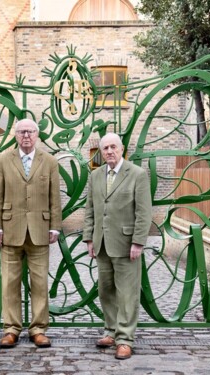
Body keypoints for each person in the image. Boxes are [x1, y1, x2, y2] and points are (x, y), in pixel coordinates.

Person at [0, 118, 62, 349]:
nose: (26, 136)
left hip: (40, 230)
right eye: (21, 132)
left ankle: (38, 329)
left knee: (39, 283)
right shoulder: (3, 160)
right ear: (15, 135)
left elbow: (55, 197)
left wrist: (55, 226)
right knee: (10, 282)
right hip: (10, 230)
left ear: (37, 134)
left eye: (30, 131)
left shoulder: (49, 161)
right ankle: (11, 329)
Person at [83, 132, 152, 360]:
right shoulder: (95, 176)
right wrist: (89, 238)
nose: (109, 151)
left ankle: (125, 339)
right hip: (102, 244)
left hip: (126, 244)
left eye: (113, 147)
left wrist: (138, 242)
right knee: (106, 291)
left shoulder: (137, 174)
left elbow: (144, 212)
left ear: (121, 149)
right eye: (105, 148)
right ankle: (110, 331)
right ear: (101, 152)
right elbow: (90, 209)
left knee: (127, 294)